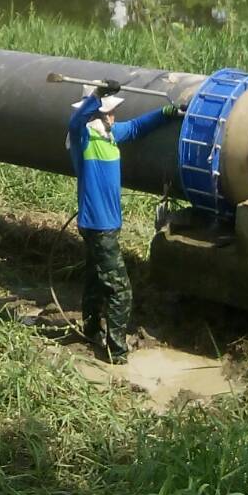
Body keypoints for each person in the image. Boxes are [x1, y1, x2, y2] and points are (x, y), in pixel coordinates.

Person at [67, 80, 180, 365]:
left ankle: (91, 329)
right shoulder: (83, 137)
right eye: (110, 112)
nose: (114, 116)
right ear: (98, 114)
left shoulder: (109, 134)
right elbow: (76, 120)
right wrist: (97, 95)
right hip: (98, 225)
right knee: (121, 290)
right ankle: (116, 351)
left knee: (95, 280)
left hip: (104, 224)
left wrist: (167, 112)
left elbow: (137, 127)